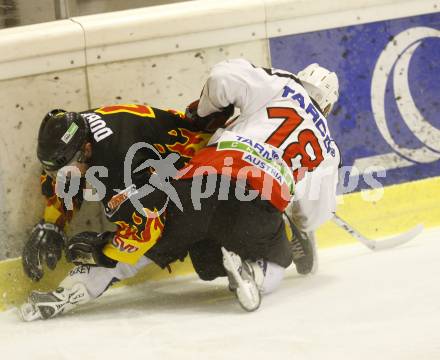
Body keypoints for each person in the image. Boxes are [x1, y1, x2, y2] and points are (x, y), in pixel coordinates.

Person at [144, 59, 341, 311]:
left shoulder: (280, 82)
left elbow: (221, 77)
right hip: (253, 202)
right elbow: (314, 215)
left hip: (198, 183)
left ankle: (106, 269)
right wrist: (296, 221)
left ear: (301, 77)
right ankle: (251, 273)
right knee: (280, 259)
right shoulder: (329, 149)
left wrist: (205, 113)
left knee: (204, 262)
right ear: (327, 105)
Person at [20, 103, 219, 320]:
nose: (58, 177)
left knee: (165, 238)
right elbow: (62, 177)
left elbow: (144, 231)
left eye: (64, 170)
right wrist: (52, 223)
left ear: (86, 150)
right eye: (52, 171)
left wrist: (102, 251)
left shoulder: (119, 165)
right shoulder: (71, 134)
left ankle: (250, 258)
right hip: (175, 164)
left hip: (208, 174)